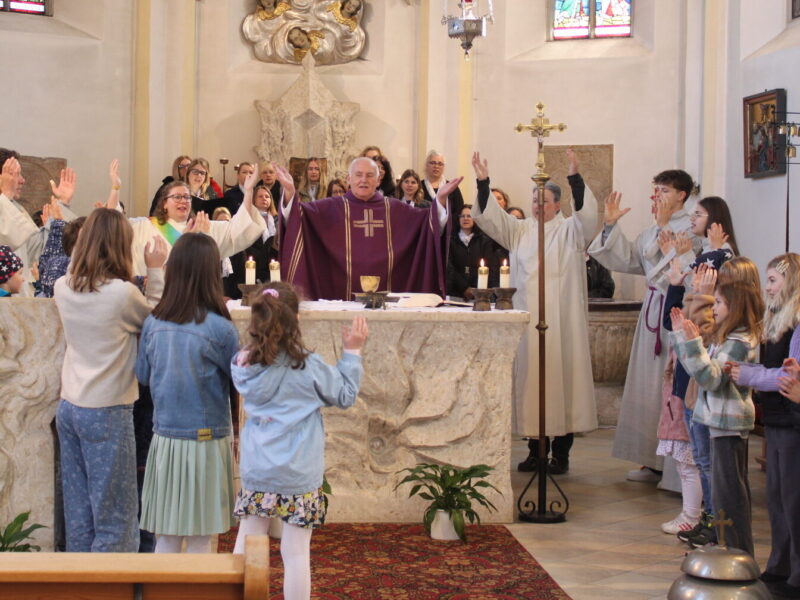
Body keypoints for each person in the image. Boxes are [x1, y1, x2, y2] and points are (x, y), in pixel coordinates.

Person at [231, 282, 367, 600]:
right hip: (298, 473)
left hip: (258, 469)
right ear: (297, 320)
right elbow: (345, 395)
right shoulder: (307, 366)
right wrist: (352, 352)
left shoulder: (243, 364)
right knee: (295, 554)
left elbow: (246, 364)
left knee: (246, 545)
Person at [471, 149, 599, 475]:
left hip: (562, 323)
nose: (538, 206)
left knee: (563, 382)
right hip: (529, 322)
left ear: (557, 204)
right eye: (535, 200)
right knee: (532, 383)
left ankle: (562, 453)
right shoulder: (520, 230)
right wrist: (483, 182)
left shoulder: (571, 230)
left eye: (545, 201)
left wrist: (575, 178)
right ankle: (534, 451)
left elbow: (587, 217)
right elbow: (490, 218)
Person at [53, 209, 168, 552]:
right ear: (120, 246)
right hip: (106, 410)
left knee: (80, 513)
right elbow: (156, 324)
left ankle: (81, 587)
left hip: (69, 406)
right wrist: (156, 270)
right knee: (116, 515)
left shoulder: (63, 286)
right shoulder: (121, 294)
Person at [588, 169, 701, 485]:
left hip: (675, 311)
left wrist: (663, 227)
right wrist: (610, 225)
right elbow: (628, 259)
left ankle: (671, 465)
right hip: (652, 309)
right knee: (647, 387)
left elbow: (673, 267)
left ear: (682, 194)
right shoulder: (656, 227)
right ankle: (651, 459)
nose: (657, 196)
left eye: (664, 190)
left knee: (666, 385)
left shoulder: (692, 228)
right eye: (656, 190)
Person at [136, 233, 239, 554]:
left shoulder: (153, 323)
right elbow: (240, 380)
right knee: (199, 537)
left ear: (174, 270)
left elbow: (142, 376)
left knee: (165, 534)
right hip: (206, 439)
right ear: (211, 274)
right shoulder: (220, 329)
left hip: (165, 437)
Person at [670, 275, 764, 558]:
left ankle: (737, 553)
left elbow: (711, 380)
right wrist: (682, 338)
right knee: (725, 493)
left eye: (720, 302)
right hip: (718, 423)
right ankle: (728, 549)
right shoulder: (728, 338)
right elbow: (700, 371)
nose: (714, 307)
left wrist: (693, 343)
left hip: (728, 424)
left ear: (734, 306)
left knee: (729, 495)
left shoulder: (738, 342)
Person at [277, 157, 460, 301]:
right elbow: (297, 217)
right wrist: (290, 194)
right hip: (338, 294)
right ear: (349, 179)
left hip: (389, 297)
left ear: (379, 179)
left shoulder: (395, 209)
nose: (363, 180)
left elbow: (427, 223)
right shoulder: (329, 208)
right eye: (358, 175)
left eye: (369, 175)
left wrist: (440, 201)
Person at [728, 253, 800, 597]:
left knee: (793, 496)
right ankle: (780, 562)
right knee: (776, 496)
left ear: (792, 282)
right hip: (776, 417)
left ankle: (796, 570)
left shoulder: (798, 322)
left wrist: (752, 375)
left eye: (773, 281)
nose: (767, 288)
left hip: (792, 417)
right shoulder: (777, 319)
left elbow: (791, 375)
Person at [109, 169, 266, 277]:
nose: (183, 201)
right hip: (152, 299)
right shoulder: (144, 226)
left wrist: (249, 191)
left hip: (191, 303)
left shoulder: (203, 226)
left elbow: (239, 228)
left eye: (187, 197)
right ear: (164, 202)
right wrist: (115, 189)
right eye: (177, 197)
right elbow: (113, 225)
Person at [0, 150, 78, 295]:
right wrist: (5, 195)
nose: (22, 180)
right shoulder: (6, 206)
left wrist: (62, 205)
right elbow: (7, 241)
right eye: (16, 174)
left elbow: (39, 251)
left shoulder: (15, 209)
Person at [227, 184, 279, 299]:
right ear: (253, 200)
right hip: (252, 261)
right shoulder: (247, 219)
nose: (264, 199)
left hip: (272, 263)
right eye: (260, 196)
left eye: (267, 196)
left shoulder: (277, 220)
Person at [446, 204, 498, 300]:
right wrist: (464, 288)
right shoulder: (450, 240)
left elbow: (489, 266)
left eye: (469, 216)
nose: (466, 219)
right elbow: (449, 267)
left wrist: (474, 289)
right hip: (455, 291)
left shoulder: (484, 241)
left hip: (479, 292)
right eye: (462, 216)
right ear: (458, 219)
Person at [421, 150, 464, 230]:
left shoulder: (451, 187)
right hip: (424, 230)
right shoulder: (419, 186)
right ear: (426, 165)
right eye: (433, 163)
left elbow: (459, 210)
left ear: (443, 167)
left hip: (449, 232)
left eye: (440, 164)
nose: (436, 166)